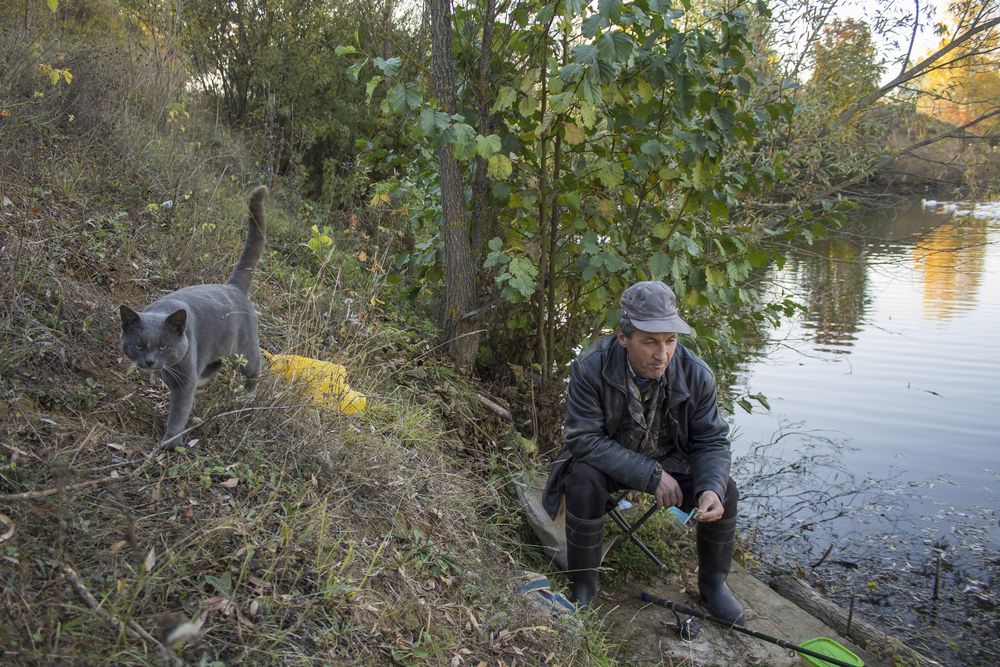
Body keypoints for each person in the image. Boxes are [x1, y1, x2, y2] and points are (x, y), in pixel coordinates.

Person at [542, 280, 745, 623]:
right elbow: (583, 439)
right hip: (608, 459)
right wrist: (651, 476)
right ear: (623, 337)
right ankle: (583, 587)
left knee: (726, 489)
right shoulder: (590, 366)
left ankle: (713, 586)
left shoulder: (697, 374)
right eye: (650, 341)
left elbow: (711, 440)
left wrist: (710, 487)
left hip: (670, 457)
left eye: (670, 340)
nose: (662, 354)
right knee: (581, 480)